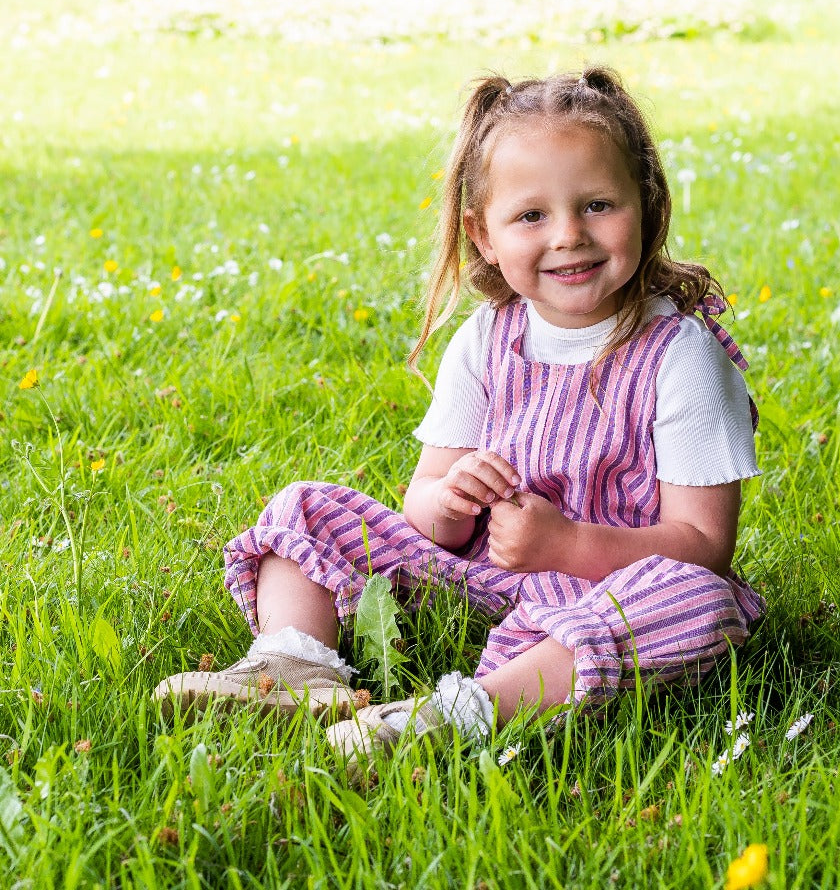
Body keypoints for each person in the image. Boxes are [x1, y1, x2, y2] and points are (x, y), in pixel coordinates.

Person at [154, 67, 764, 779]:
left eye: (598, 205)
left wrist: (565, 544)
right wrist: (450, 500)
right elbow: (426, 508)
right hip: (484, 574)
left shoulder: (679, 357)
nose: (569, 235)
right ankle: (292, 666)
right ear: (484, 233)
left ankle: (461, 714)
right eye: (531, 216)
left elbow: (702, 548)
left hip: (611, 586)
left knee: (698, 602)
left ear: (647, 205)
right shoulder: (486, 339)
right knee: (308, 508)